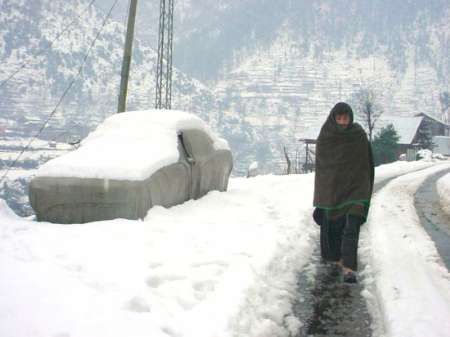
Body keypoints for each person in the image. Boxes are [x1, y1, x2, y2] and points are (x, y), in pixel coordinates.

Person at [312, 102, 374, 283]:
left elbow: (367, 162)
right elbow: (323, 167)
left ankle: (349, 268)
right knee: (334, 226)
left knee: (351, 226)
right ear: (333, 118)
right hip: (333, 189)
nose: (342, 121)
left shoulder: (358, 135)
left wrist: (364, 184)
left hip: (356, 189)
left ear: (350, 117)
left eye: (345, 118)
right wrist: (326, 190)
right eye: (338, 118)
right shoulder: (326, 136)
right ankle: (337, 258)